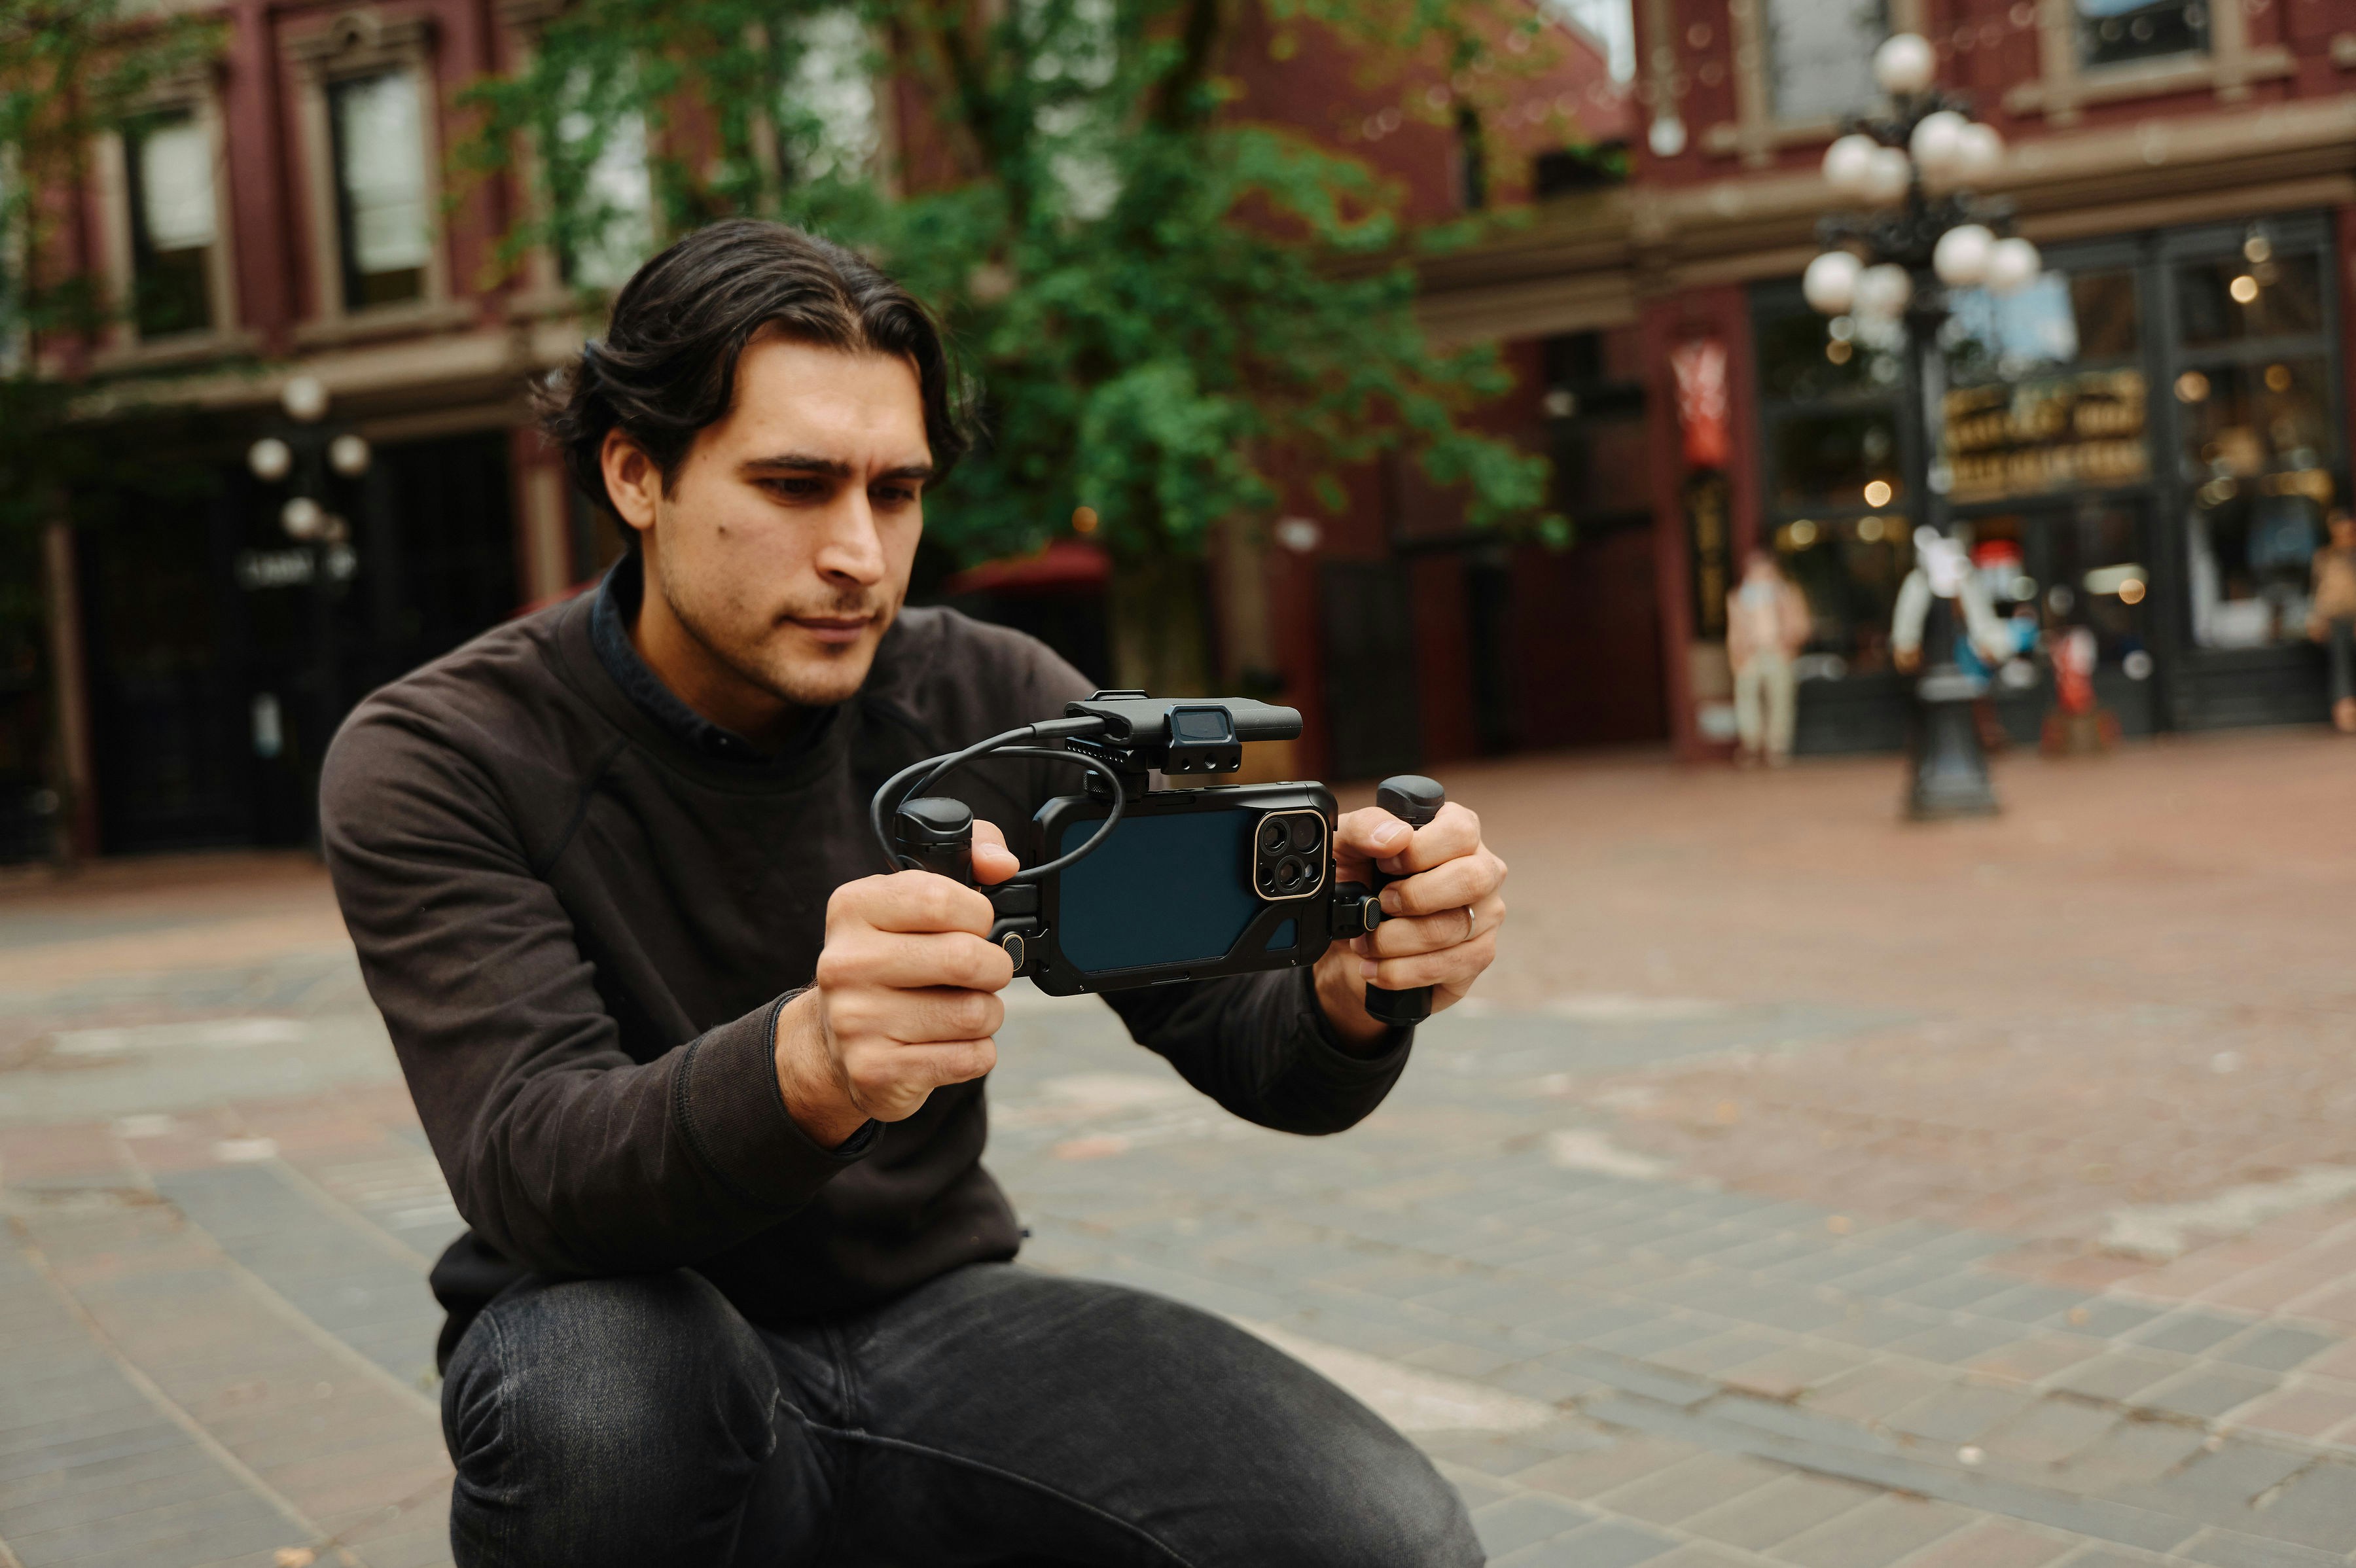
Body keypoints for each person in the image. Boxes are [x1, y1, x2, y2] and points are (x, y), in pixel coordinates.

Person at [318, 219, 1508, 1568]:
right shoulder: (441, 753)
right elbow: (535, 1164)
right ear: (637, 472)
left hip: (932, 1309)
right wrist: (813, 1061)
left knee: (1387, 1543)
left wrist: (1354, 998)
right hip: (623, 1317)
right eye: (795, 485)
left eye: (895, 491)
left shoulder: (994, 699)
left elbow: (1243, 1042)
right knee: (595, 1406)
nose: (860, 556)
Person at [1725, 549, 1811, 766]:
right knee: (1747, 697)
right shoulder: (1738, 597)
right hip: (1750, 653)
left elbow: (1801, 623)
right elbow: (1733, 630)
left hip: (1778, 650)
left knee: (1780, 698)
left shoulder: (1786, 593)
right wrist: (1737, 653)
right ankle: (1752, 744)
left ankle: (1777, 746)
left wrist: (1789, 641)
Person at [2309, 507, 2356, 734]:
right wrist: (2319, 618)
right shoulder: (2325, 556)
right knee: (2341, 666)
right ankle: (2346, 715)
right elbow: (2319, 590)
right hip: (2336, 618)